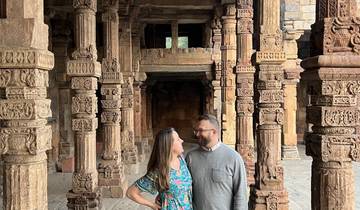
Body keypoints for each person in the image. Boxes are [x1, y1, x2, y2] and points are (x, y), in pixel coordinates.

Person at [186, 114, 248, 210]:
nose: (197, 134)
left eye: (201, 130)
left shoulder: (233, 158)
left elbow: (241, 195)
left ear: (214, 132)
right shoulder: (191, 157)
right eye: (196, 130)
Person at [126, 127, 193, 210]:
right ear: (169, 145)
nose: (182, 140)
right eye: (178, 139)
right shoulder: (158, 170)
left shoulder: (181, 159)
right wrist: (153, 205)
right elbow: (131, 193)